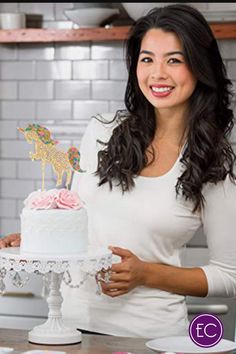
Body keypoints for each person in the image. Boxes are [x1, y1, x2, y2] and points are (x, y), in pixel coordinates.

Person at [1, 4, 236, 338]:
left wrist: (146, 274)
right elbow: (81, 224)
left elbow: (230, 275)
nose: (157, 74)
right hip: (68, 329)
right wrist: (40, 242)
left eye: (174, 60)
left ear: (199, 67)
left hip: (152, 338)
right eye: (147, 59)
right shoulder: (100, 132)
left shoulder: (213, 161)